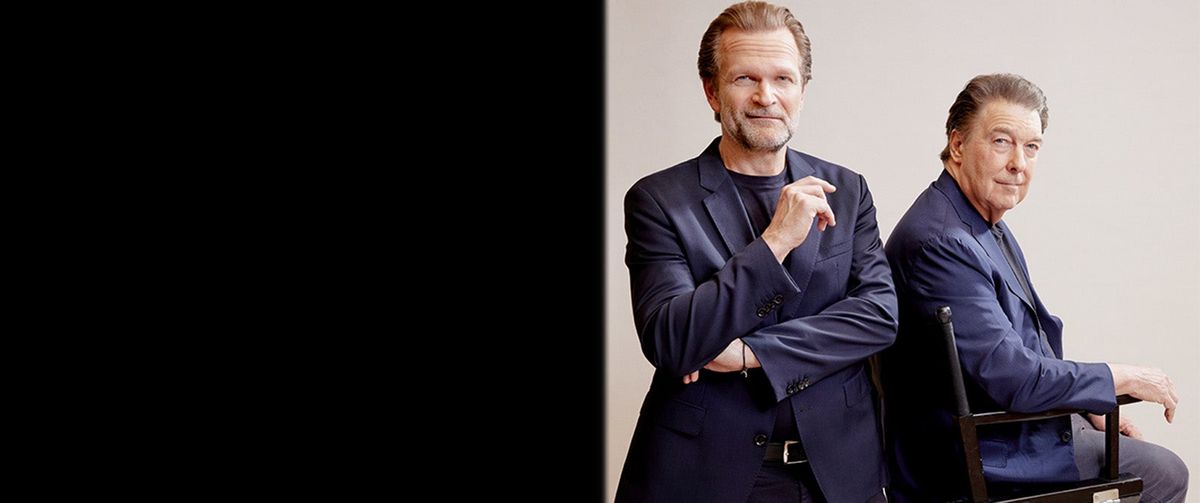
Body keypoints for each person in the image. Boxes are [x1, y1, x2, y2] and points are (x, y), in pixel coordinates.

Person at [615, 2, 898, 502]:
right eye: (745, 78)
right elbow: (673, 340)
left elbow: (878, 316)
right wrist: (776, 241)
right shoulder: (658, 200)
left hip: (838, 474)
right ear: (712, 91)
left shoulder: (848, 190)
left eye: (783, 79)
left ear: (802, 90)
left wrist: (750, 354)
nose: (766, 96)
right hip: (704, 478)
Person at [882, 73, 1188, 502]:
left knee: (1143, 458)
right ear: (958, 145)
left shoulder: (980, 222)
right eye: (1001, 142)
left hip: (1011, 429)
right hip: (978, 455)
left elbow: (1027, 348)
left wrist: (1088, 406)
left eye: (1032, 147)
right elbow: (1013, 375)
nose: (1018, 164)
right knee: (1165, 473)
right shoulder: (943, 242)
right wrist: (1123, 378)